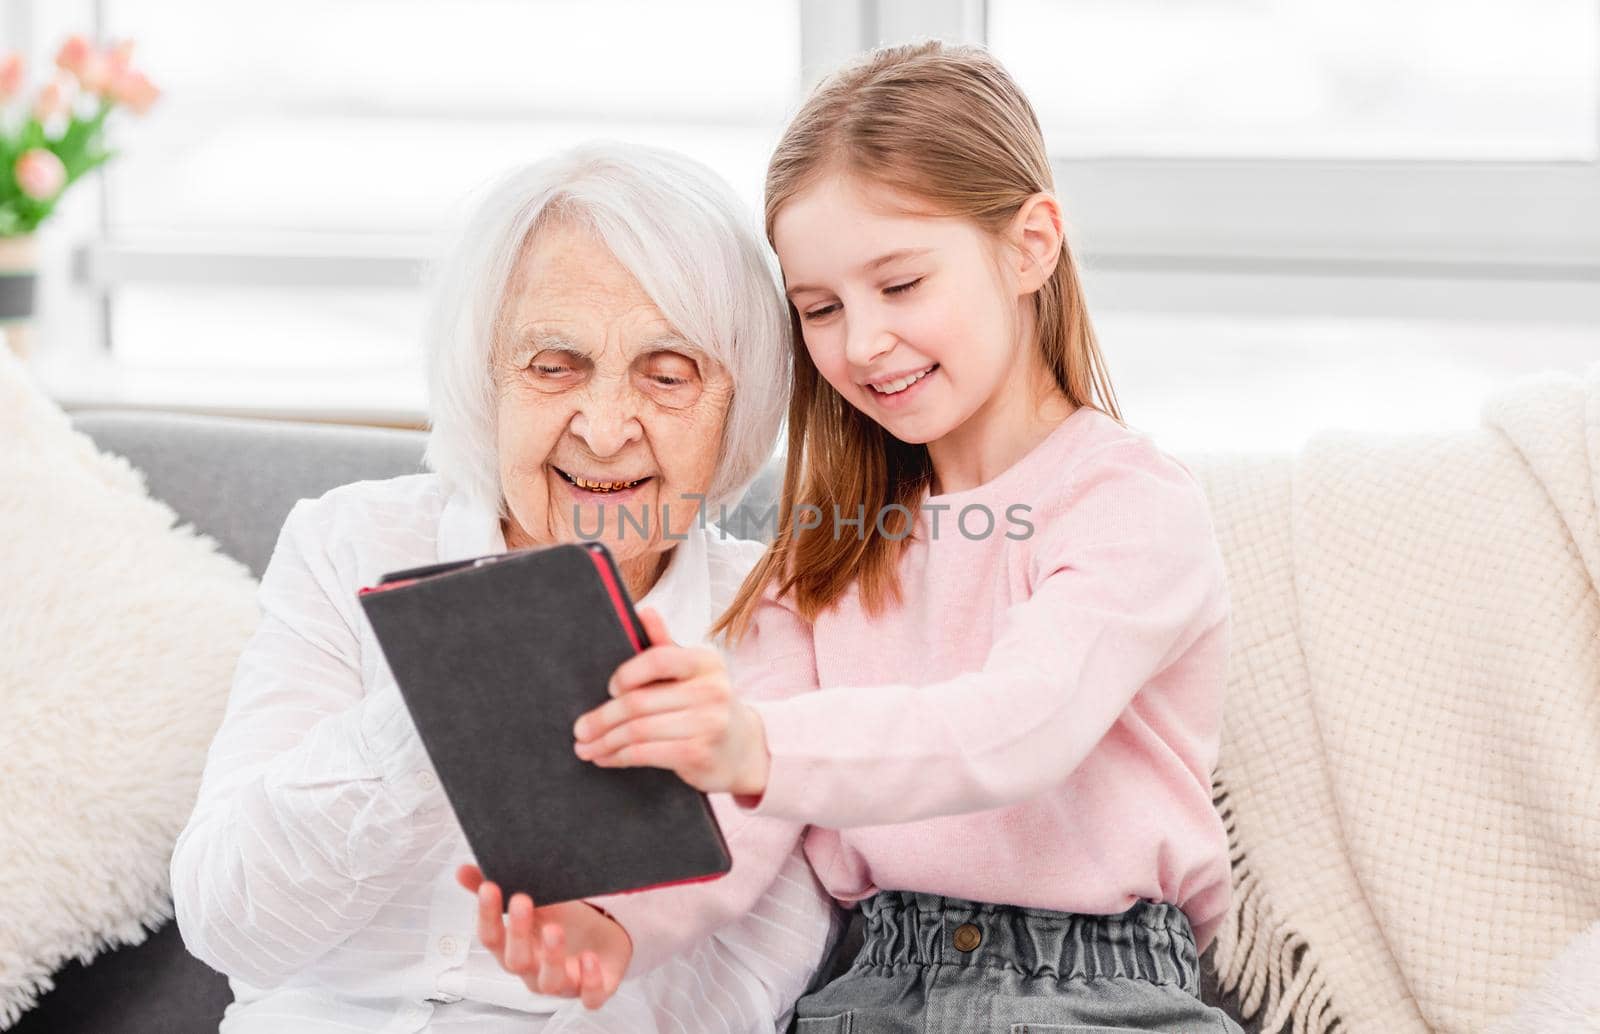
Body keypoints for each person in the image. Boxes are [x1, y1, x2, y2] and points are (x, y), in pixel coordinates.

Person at [473, 41, 1243, 1032]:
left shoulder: (1128, 502)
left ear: (1029, 245)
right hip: (868, 986)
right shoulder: (828, 545)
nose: (862, 342)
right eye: (822, 309)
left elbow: (1017, 727)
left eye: (901, 284)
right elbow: (755, 819)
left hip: (1094, 990)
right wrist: (616, 928)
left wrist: (748, 740)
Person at [170, 141, 837, 1034]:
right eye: (552, 365)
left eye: (667, 374)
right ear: (485, 378)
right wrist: (445, 690)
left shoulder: (783, 620)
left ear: (738, 401)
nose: (604, 431)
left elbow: (744, 978)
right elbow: (228, 922)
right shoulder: (346, 541)